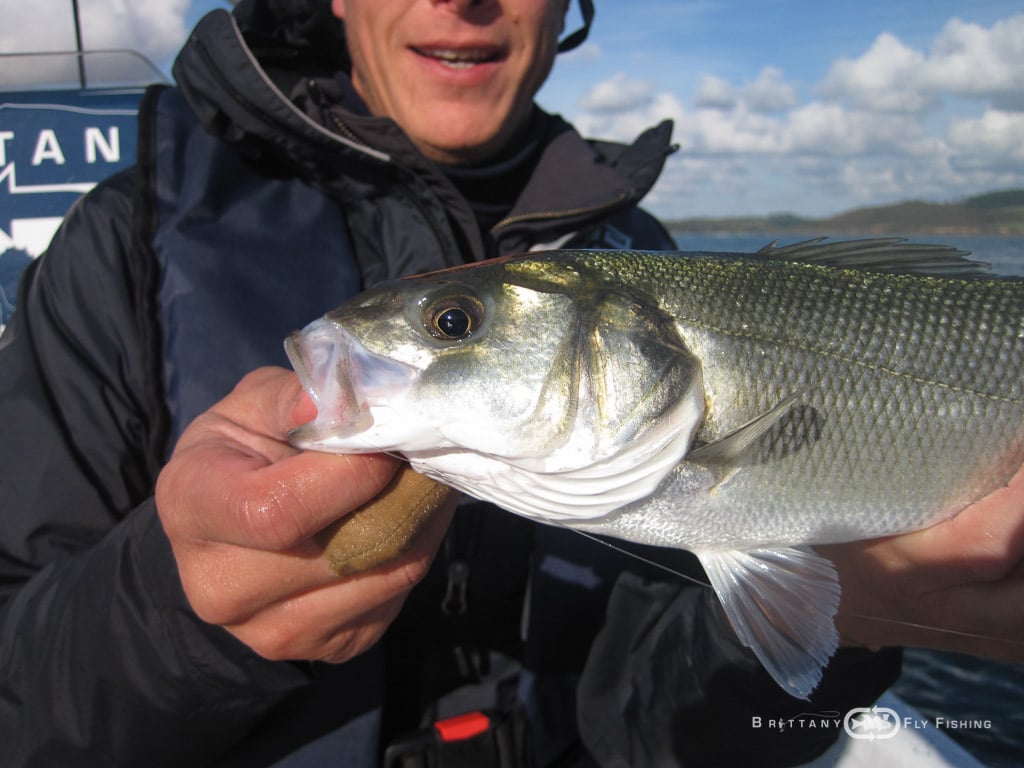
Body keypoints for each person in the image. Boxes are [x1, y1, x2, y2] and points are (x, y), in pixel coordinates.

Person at [0, 0, 1019, 766]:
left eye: (455, 324)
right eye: (456, 321)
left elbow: (663, 722)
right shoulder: (127, 243)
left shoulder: (642, 253)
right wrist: (176, 619)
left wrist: (862, 624)